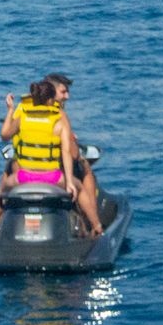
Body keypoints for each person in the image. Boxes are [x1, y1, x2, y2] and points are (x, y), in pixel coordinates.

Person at [0, 79, 104, 238]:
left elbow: (4, 135)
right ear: (51, 100)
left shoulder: (23, 117)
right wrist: (70, 183)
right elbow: (66, 152)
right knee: (80, 188)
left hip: (23, 177)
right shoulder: (58, 121)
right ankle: (97, 227)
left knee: (3, 189)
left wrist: (10, 109)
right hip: (52, 177)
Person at [45, 72, 104, 236]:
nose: (68, 97)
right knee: (85, 169)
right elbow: (73, 154)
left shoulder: (28, 112)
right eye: (63, 92)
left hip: (26, 172)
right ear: (52, 92)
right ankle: (94, 225)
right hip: (53, 174)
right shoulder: (60, 116)